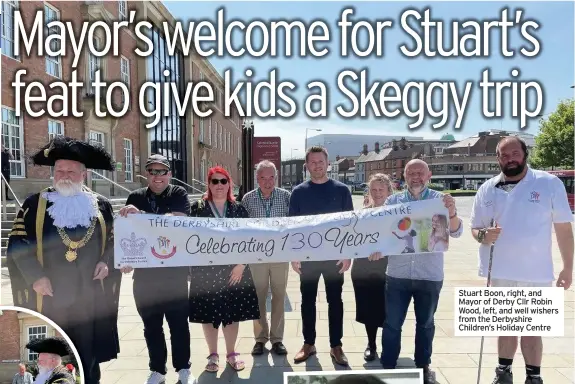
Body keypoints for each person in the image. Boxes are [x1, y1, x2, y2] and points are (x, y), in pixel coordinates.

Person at [5, 136, 121, 384]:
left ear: (84, 174)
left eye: (70, 171)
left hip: (89, 295)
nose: (64, 175)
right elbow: (17, 242)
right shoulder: (34, 204)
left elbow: (115, 240)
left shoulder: (101, 205)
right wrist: (35, 277)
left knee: (88, 356)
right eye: (59, 170)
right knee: (57, 351)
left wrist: (107, 262)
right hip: (50, 296)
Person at [470, 136, 574, 384]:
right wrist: (483, 235)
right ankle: (503, 373)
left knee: (533, 330)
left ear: (525, 154)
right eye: (504, 156)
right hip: (500, 272)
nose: (510, 159)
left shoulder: (549, 183)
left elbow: (563, 228)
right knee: (505, 328)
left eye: (514, 153)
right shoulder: (487, 188)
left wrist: (568, 267)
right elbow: (475, 229)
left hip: (536, 272)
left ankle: (533, 376)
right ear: (498, 159)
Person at [380, 159, 462, 384]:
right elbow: (380, 231)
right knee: (392, 323)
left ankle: (423, 367)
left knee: (425, 324)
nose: (415, 177)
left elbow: (456, 232)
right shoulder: (392, 201)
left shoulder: (440, 201)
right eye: (411, 173)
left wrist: (452, 212)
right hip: (397, 274)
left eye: (420, 173)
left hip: (429, 274)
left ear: (429, 175)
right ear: (404, 176)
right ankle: (388, 365)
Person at [118, 154, 196, 384]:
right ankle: (157, 370)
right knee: (151, 326)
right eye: (152, 171)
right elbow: (129, 232)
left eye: (162, 171)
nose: (157, 176)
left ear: (169, 174)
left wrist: (141, 216)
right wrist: (125, 258)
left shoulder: (179, 194)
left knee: (179, 325)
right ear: (146, 174)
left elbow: (177, 220)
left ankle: (183, 368)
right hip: (145, 275)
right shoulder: (135, 197)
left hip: (174, 273)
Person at [188, 166, 260, 373]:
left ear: (229, 184)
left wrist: (241, 265)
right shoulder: (198, 208)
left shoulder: (238, 209)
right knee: (209, 314)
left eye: (223, 181)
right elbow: (186, 238)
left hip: (235, 270)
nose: (219, 185)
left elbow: (250, 238)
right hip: (206, 271)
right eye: (214, 181)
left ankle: (231, 353)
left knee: (232, 313)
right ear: (209, 184)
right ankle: (212, 354)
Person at [289, 146, 353, 366]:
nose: (317, 165)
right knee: (307, 301)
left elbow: (348, 225)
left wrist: (347, 254)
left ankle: (336, 345)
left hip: (334, 257)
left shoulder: (342, 190)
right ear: (307, 166)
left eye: (320, 161)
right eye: (312, 162)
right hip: (308, 258)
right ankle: (309, 343)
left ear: (328, 164)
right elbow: (293, 227)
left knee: (335, 301)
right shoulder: (298, 192)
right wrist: (294, 256)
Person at [241, 160, 291, 356]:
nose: (267, 182)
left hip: (280, 255)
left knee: (279, 296)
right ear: (257, 179)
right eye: (263, 177)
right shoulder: (248, 199)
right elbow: (241, 228)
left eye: (271, 177)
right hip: (257, 256)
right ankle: (260, 339)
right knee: (258, 298)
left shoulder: (286, 197)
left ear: (276, 178)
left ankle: (277, 339)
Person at [350, 173, 394, 361]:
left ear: (389, 191)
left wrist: (384, 251)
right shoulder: (361, 215)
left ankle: (389, 346)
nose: (377, 193)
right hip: (363, 268)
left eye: (381, 190)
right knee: (368, 308)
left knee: (387, 309)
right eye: (373, 189)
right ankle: (371, 344)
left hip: (388, 266)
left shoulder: (397, 212)